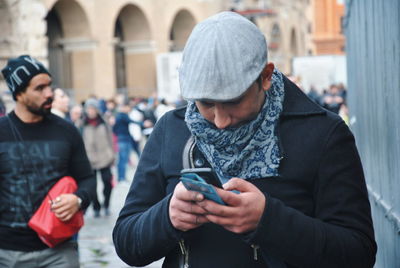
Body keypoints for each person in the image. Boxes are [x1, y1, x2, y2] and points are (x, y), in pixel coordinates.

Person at [113, 12, 376, 268]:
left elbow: (358, 253)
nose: (220, 121)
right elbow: (127, 243)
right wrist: (167, 216)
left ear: (265, 76)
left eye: (233, 101)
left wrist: (269, 221)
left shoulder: (324, 133)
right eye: (206, 104)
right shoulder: (172, 128)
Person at [0, 55, 96, 267]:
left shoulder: (67, 131)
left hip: (59, 251)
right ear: (20, 93)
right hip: (7, 254)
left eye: (49, 86)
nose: (49, 93)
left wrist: (78, 199)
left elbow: (88, 179)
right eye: (39, 88)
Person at [81, 98, 115, 217]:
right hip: (89, 160)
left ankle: (106, 204)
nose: (91, 111)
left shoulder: (104, 122)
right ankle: (96, 206)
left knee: (108, 183)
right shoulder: (82, 124)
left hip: (105, 158)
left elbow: (111, 138)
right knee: (92, 186)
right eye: (88, 109)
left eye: (93, 108)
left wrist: (112, 154)